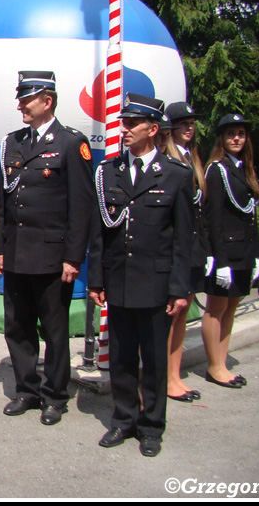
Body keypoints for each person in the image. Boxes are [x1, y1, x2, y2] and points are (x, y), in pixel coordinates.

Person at [88, 93, 194, 457]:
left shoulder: (176, 176)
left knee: (153, 359)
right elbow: (99, 232)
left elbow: (183, 238)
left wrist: (179, 288)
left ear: (153, 129)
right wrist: (97, 279)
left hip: (155, 282)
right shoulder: (110, 171)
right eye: (124, 122)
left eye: (133, 123)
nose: (125, 129)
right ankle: (123, 419)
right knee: (119, 357)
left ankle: (151, 427)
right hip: (118, 280)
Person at [0, 71, 94, 425]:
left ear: (47, 101)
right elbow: (4, 200)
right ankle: (27, 390)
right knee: (17, 327)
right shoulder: (13, 142)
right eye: (20, 98)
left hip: (52, 256)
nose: (20, 103)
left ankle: (54, 396)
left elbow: (81, 207)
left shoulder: (70, 143)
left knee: (54, 329)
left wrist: (73, 257)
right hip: (17, 251)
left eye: (27, 98)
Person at [201, 113, 259, 389]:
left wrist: (257, 255)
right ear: (221, 139)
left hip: (244, 252)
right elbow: (212, 218)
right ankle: (214, 367)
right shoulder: (218, 169)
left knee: (232, 308)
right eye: (230, 134)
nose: (236, 138)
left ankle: (222, 363)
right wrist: (220, 260)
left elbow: (250, 216)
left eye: (240, 134)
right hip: (226, 251)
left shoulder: (243, 168)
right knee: (217, 308)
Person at [166, 101, 211, 402]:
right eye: (182, 124)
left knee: (184, 313)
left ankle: (175, 373)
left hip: (192, 247)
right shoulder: (170, 162)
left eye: (191, 123)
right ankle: (167, 377)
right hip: (172, 250)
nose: (189, 128)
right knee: (172, 315)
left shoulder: (191, 160)